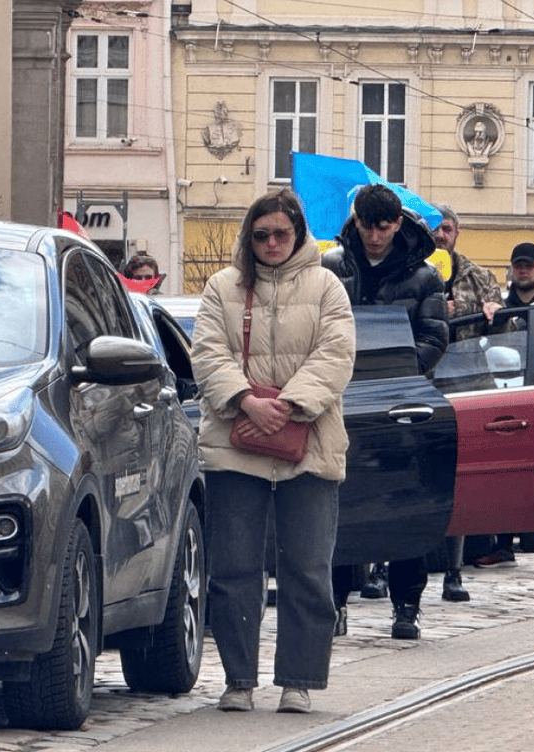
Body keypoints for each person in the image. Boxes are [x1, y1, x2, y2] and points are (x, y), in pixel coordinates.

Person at [190, 190, 356, 714]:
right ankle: (239, 680)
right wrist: (244, 401)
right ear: (249, 238)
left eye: (281, 233)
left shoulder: (328, 286)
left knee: (307, 567)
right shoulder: (223, 287)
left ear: (299, 233)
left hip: (311, 443)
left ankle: (298, 681)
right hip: (234, 446)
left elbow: (336, 353)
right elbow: (207, 352)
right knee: (234, 568)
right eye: (261, 235)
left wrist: (289, 405)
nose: (271, 244)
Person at [321, 184, 453, 640]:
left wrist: (395, 370)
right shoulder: (332, 267)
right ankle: (334, 602)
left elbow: (435, 339)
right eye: (366, 226)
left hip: (402, 403)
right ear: (355, 222)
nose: (375, 236)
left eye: (383, 226)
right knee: (336, 507)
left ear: (398, 223)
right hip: (340, 398)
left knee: (405, 505)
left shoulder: (424, 277)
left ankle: (407, 605)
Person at [472, 242, 534, 570]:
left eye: (529, 265)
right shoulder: (500, 307)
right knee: (508, 471)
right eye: (518, 265)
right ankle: (503, 544)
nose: (523, 270)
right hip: (509, 394)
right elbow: (486, 346)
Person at [431, 205, 503, 341]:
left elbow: (505, 335)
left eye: (446, 229)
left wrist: (498, 316)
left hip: (467, 359)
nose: (439, 235)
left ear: (457, 232)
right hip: (422, 360)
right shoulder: (408, 274)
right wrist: (434, 310)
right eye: (433, 228)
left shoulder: (481, 278)